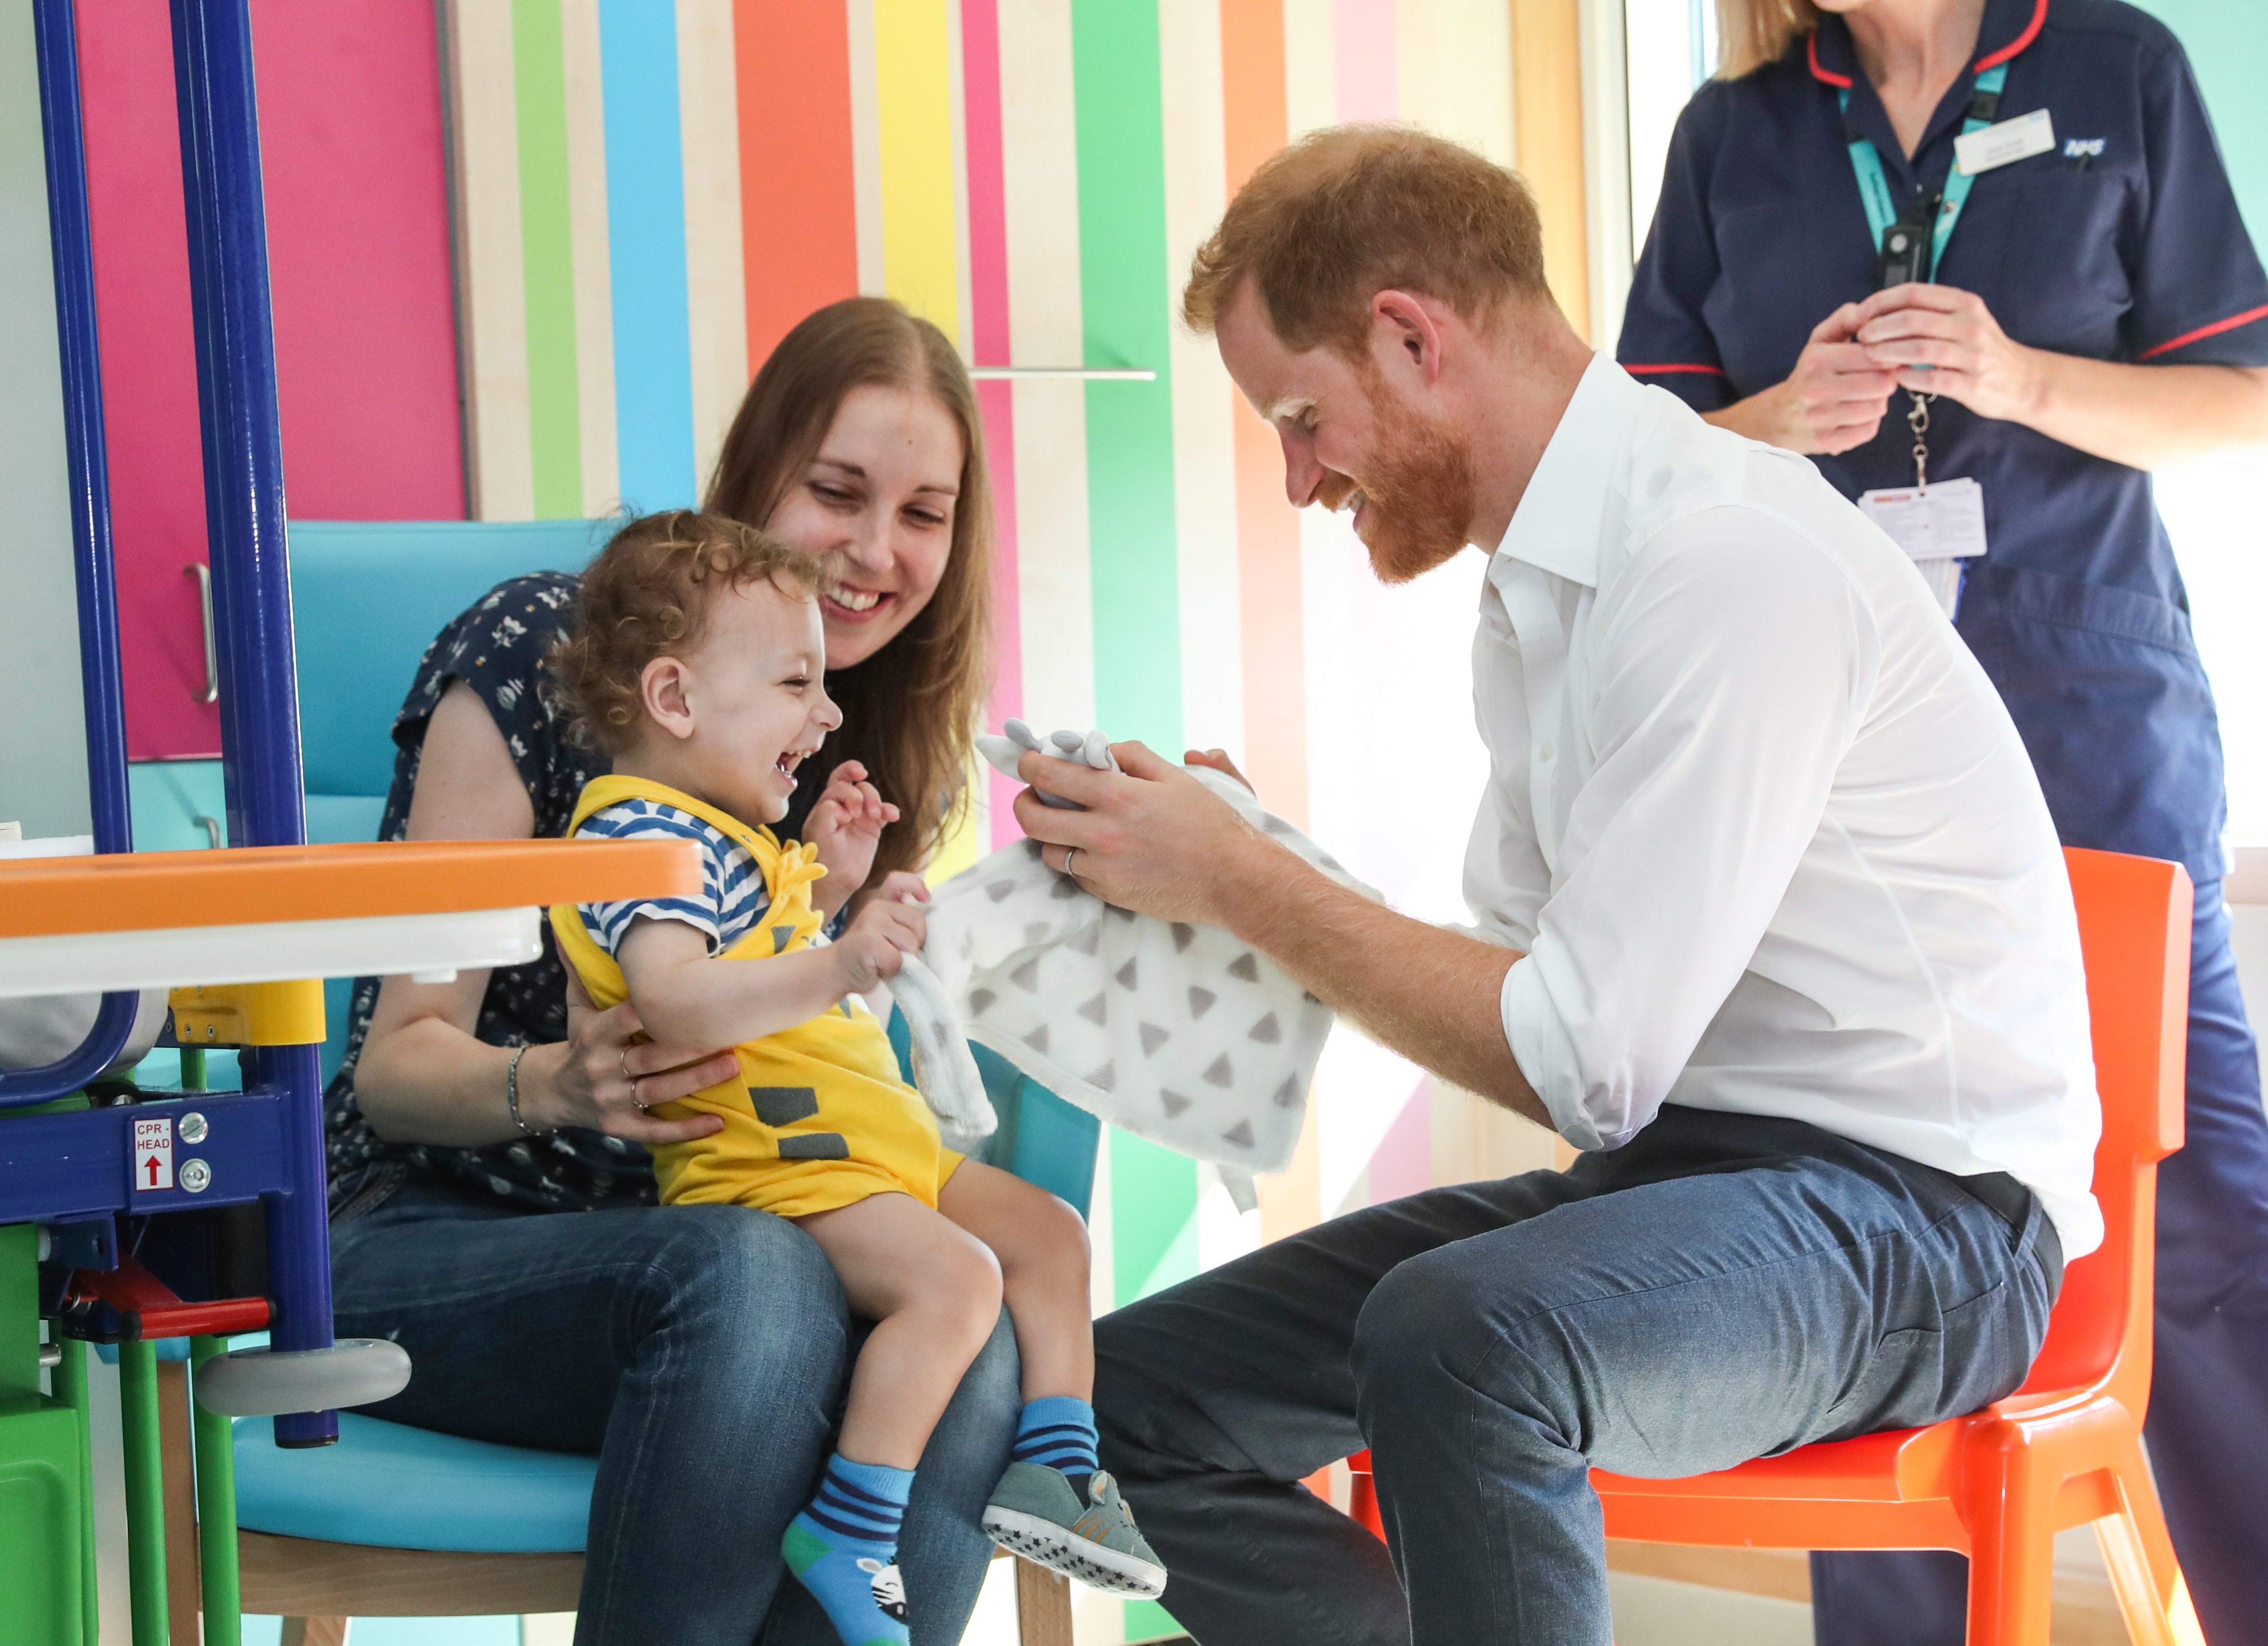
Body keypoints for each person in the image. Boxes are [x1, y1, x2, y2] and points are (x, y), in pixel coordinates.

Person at [1020, 125, 2096, 1646]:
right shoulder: (1539, 597)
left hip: (1922, 1218)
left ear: (1410, 337)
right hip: (1691, 1181)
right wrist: (1261, 866)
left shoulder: (1720, 559)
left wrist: (1252, 885)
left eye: (1300, 415)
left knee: (1462, 1336)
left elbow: (1583, 1061)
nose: (1294, 476)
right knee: (1115, 1402)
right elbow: (1525, 986)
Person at [1614, 0, 2268, 1635]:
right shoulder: (1736, 135)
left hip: (2089, 714)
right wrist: (1781, 417)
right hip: (1834, 738)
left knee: (2191, 1195)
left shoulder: (2116, 71)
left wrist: (2023, 373)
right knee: (1861, 1188)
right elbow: (1626, 464)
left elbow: (2244, 393)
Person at [322, 298, 1011, 1646]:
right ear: (756, 481)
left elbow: (833, 1079)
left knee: (961, 1327)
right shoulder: (537, 652)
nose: (877, 551)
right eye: (836, 492)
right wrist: (567, 1084)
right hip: (424, 1227)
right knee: (756, 1287)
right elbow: (397, 1070)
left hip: (733, 1242)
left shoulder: (844, 760)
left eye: (924, 512)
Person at [544, 511, 1163, 1645]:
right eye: (796, 682)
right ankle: (853, 1525)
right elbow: (676, 996)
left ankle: (1061, 1470)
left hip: (863, 1146)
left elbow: (756, 965)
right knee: (960, 1285)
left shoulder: (718, 841)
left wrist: (825, 889)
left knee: (1051, 1233)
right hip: (781, 1162)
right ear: (676, 701)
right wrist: (837, 956)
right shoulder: (641, 843)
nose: (827, 714)